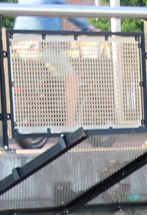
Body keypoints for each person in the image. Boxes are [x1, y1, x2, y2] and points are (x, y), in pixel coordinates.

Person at [14, 0, 93, 129]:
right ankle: (70, 125)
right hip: (42, 45)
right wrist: (88, 29)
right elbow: (71, 12)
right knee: (72, 79)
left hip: (20, 45)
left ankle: (49, 108)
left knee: (52, 74)